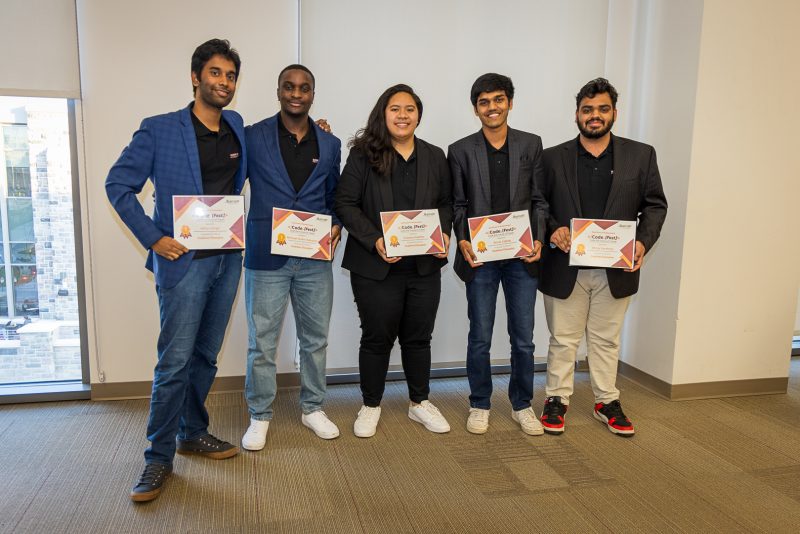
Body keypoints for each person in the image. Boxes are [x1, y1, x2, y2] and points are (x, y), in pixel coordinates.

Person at [106, 39, 245, 502]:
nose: (223, 82)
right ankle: (157, 458)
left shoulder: (238, 127)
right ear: (195, 77)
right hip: (183, 264)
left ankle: (192, 432)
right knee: (174, 362)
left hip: (227, 260)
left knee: (205, 356)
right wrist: (152, 237)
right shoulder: (160, 129)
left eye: (230, 76)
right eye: (216, 73)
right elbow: (118, 184)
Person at [538, 78, 667, 436]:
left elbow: (655, 205)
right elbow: (539, 204)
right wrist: (551, 229)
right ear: (577, 114)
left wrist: (642, 242)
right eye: (587, 110)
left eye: (602, 109)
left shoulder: (641, 155)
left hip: (615, 268)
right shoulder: (552, 157)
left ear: (614, 112)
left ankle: (606, 401)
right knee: (563, 339)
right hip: (566, 266)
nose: (595, 116)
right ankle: (556, 399)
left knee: (606, 339)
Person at [335, 84, 453, 438]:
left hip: (423, 267)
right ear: (382, 114)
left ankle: (420, 403)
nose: (403, 115)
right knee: (376, 338)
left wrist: (444, 232)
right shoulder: (362, 155)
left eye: (410, 109)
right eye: (395, 109)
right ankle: (371, 405)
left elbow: (447, 203)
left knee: (419, 337)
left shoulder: (435, 156)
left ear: (418, 115)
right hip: (375, 267)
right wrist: (374, 240)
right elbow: (345, 204)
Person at [241, 65, 342, 451]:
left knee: (315, 339)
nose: (296, 93)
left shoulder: (330, 144)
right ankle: (259, 415)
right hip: (266, 257)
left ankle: (313, 407)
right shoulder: (253, 136)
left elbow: (335, 197)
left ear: (313, 93)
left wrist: (337, 226)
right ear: (278, 91)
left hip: (315, 259)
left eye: (304, 88)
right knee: (261, 342)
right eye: (289, 87)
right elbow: (230, 184)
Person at [448, 73, 548, 436]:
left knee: (524, 337)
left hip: (522, 258)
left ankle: (523, 404)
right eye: (484, 101)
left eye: (499, 99)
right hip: (481, 259)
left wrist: (538, 238)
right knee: (481, 336)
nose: (492, 107)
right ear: (476, 108)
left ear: (510, 102)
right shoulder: (460, 150)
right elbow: (458, 205)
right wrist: (462, 239)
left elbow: (539, 200)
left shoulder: (532, 144)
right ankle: (480, 402)